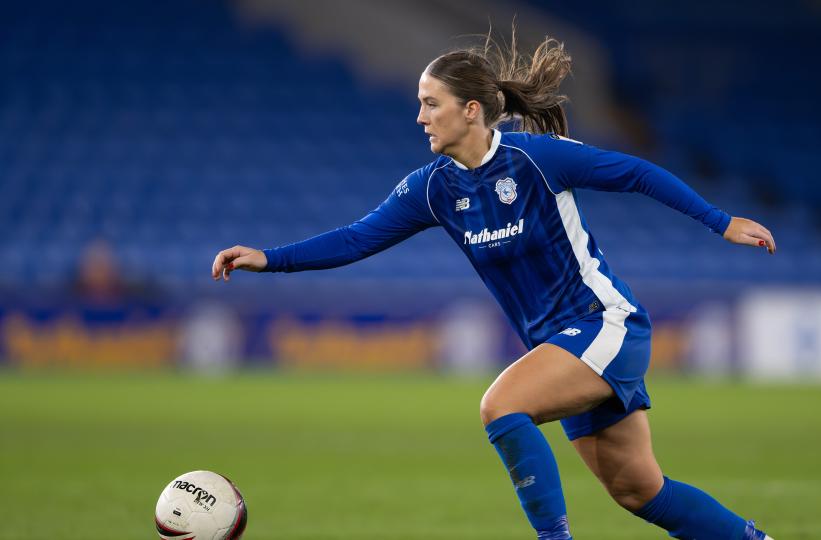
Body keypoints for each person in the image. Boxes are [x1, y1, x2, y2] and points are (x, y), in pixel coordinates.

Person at [211, 33, 777, 540]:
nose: (420, 117)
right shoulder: (430, 189)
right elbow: (357, 239)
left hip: (606, 324)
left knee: (501, 405)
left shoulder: (536, 159)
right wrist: (269, 258)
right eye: (420, 104)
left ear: (471, 109)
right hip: (559, 346)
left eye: (431, 103)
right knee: (641, 493)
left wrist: (719, 220)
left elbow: (635, 172)